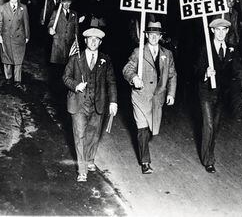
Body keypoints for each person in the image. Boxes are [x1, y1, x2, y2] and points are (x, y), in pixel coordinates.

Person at [195, 18, 242, 173]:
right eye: (217, 30)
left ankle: (209, 153)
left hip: (221, 94)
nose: (220, 33)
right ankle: (208, 160)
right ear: (212, 31)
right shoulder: (205, 48)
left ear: (227, 31)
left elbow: (239, 69)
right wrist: (205, 73)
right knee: (210, 125)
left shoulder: (231, 49)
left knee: (216, 126)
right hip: (206, 92)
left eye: (223, 30)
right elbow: (196, 69)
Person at [62, 28, 118, 182]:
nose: (93, 42)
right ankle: (82, 170)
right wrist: (76, 85)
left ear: (100, 42)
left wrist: (113, 101)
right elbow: (65, 77)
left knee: (93, 134)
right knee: (79, 136)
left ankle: (90, 159)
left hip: (98, 104)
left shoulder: (105, 60)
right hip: (78, 104)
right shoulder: (75, 58)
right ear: (85, 41)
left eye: (96, 39)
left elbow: (111, 82)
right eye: (90, 39)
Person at [122, 21, 177, 174]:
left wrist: (171, 93)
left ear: (160, 37)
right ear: (146, 35)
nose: (153, 37)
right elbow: (127, 68)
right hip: (140, 96)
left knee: (152, 128)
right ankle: (145, 162)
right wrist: (134, 78)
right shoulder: (138, 52)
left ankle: (144, 154)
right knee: (143, 129)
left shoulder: (167, 54)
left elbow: (172, 75)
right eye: (150, 34)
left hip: (157, 98)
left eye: (156, 35)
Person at [0, 0, 30, 91]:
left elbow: (26, 23)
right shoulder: (2, 8)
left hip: (19, 38)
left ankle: (18, 81)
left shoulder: (23, 8)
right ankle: (8, 78)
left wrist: (27, 36)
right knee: (7, 59)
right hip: (6, 37)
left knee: (18, 60)